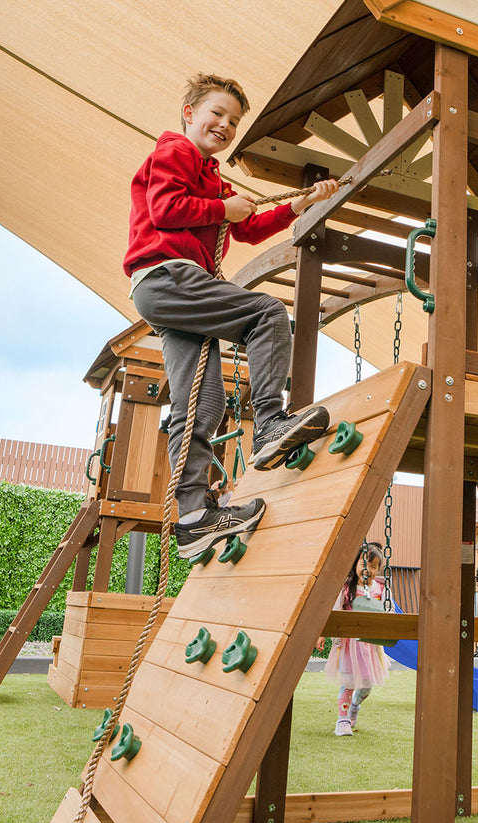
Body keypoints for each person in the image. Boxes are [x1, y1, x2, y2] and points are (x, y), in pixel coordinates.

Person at [124, 73, 339, 560]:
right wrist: (223, 207)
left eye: (233, 121)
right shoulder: (176, 151)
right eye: (216, 114)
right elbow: (165, 208)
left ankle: (194, 517)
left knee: (200, 402)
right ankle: (269, 423)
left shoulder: (213, 178)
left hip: (168, 293)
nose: (224, 125)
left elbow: (247, 228)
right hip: (168, 275)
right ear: (189, 113)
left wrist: (299, 205)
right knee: (266, 313)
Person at [317, 542, 390, 736]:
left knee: (366, 686)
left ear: (379, 570)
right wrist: (323, 633)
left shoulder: (380, 590)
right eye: (364, 564)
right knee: (348, 682)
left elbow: (385, 614)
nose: (368, 570)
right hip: (349, 645)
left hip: (369, 646)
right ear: (356, 564)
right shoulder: (346, 587)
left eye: (374, 567)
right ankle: (342, 720)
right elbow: (333, 612)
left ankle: (355, 706)